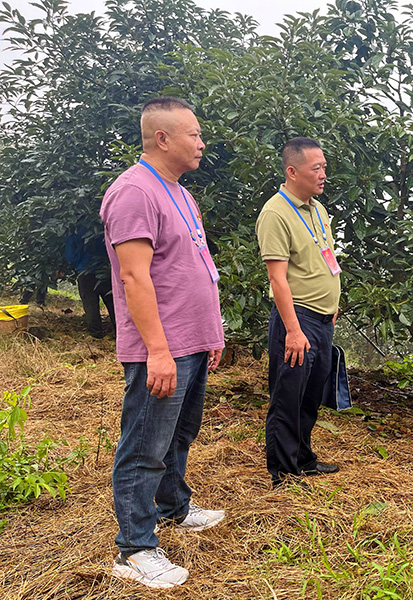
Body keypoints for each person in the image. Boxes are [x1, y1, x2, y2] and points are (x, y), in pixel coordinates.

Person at [100, 96, 226, 588]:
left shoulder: (177, 191)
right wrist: (157, 349)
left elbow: (190, 265)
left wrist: (210, 332)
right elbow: (135, 278)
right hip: (163, 346)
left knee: (178, 435)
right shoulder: (134, 192)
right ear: (163, 138)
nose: (201, 142)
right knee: (144, 445)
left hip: (191, 341)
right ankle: (134, 548)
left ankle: (175, 506)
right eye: (194, 134)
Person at [256, 137, 342, 488]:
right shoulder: (276, 213)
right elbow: (277, 278)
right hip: (298, 320)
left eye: (324, 166)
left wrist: (335, 302)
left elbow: (326, 259)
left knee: (310, 394)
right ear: (292, 172)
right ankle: (283, 470)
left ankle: (303, 458)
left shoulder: (317, 209)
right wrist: (293, 330)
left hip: (323, 318)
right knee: (287, 396)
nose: (324, 174)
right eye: (316, 168)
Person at [65, 231, 116, 338]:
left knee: (90, 303)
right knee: (112, 302)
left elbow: (70, 256)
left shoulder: (74, 230)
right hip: (104, 270)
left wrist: (77, 265)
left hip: (85, 272)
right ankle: (120, 331)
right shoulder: (101, 227)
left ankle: (95, 333)